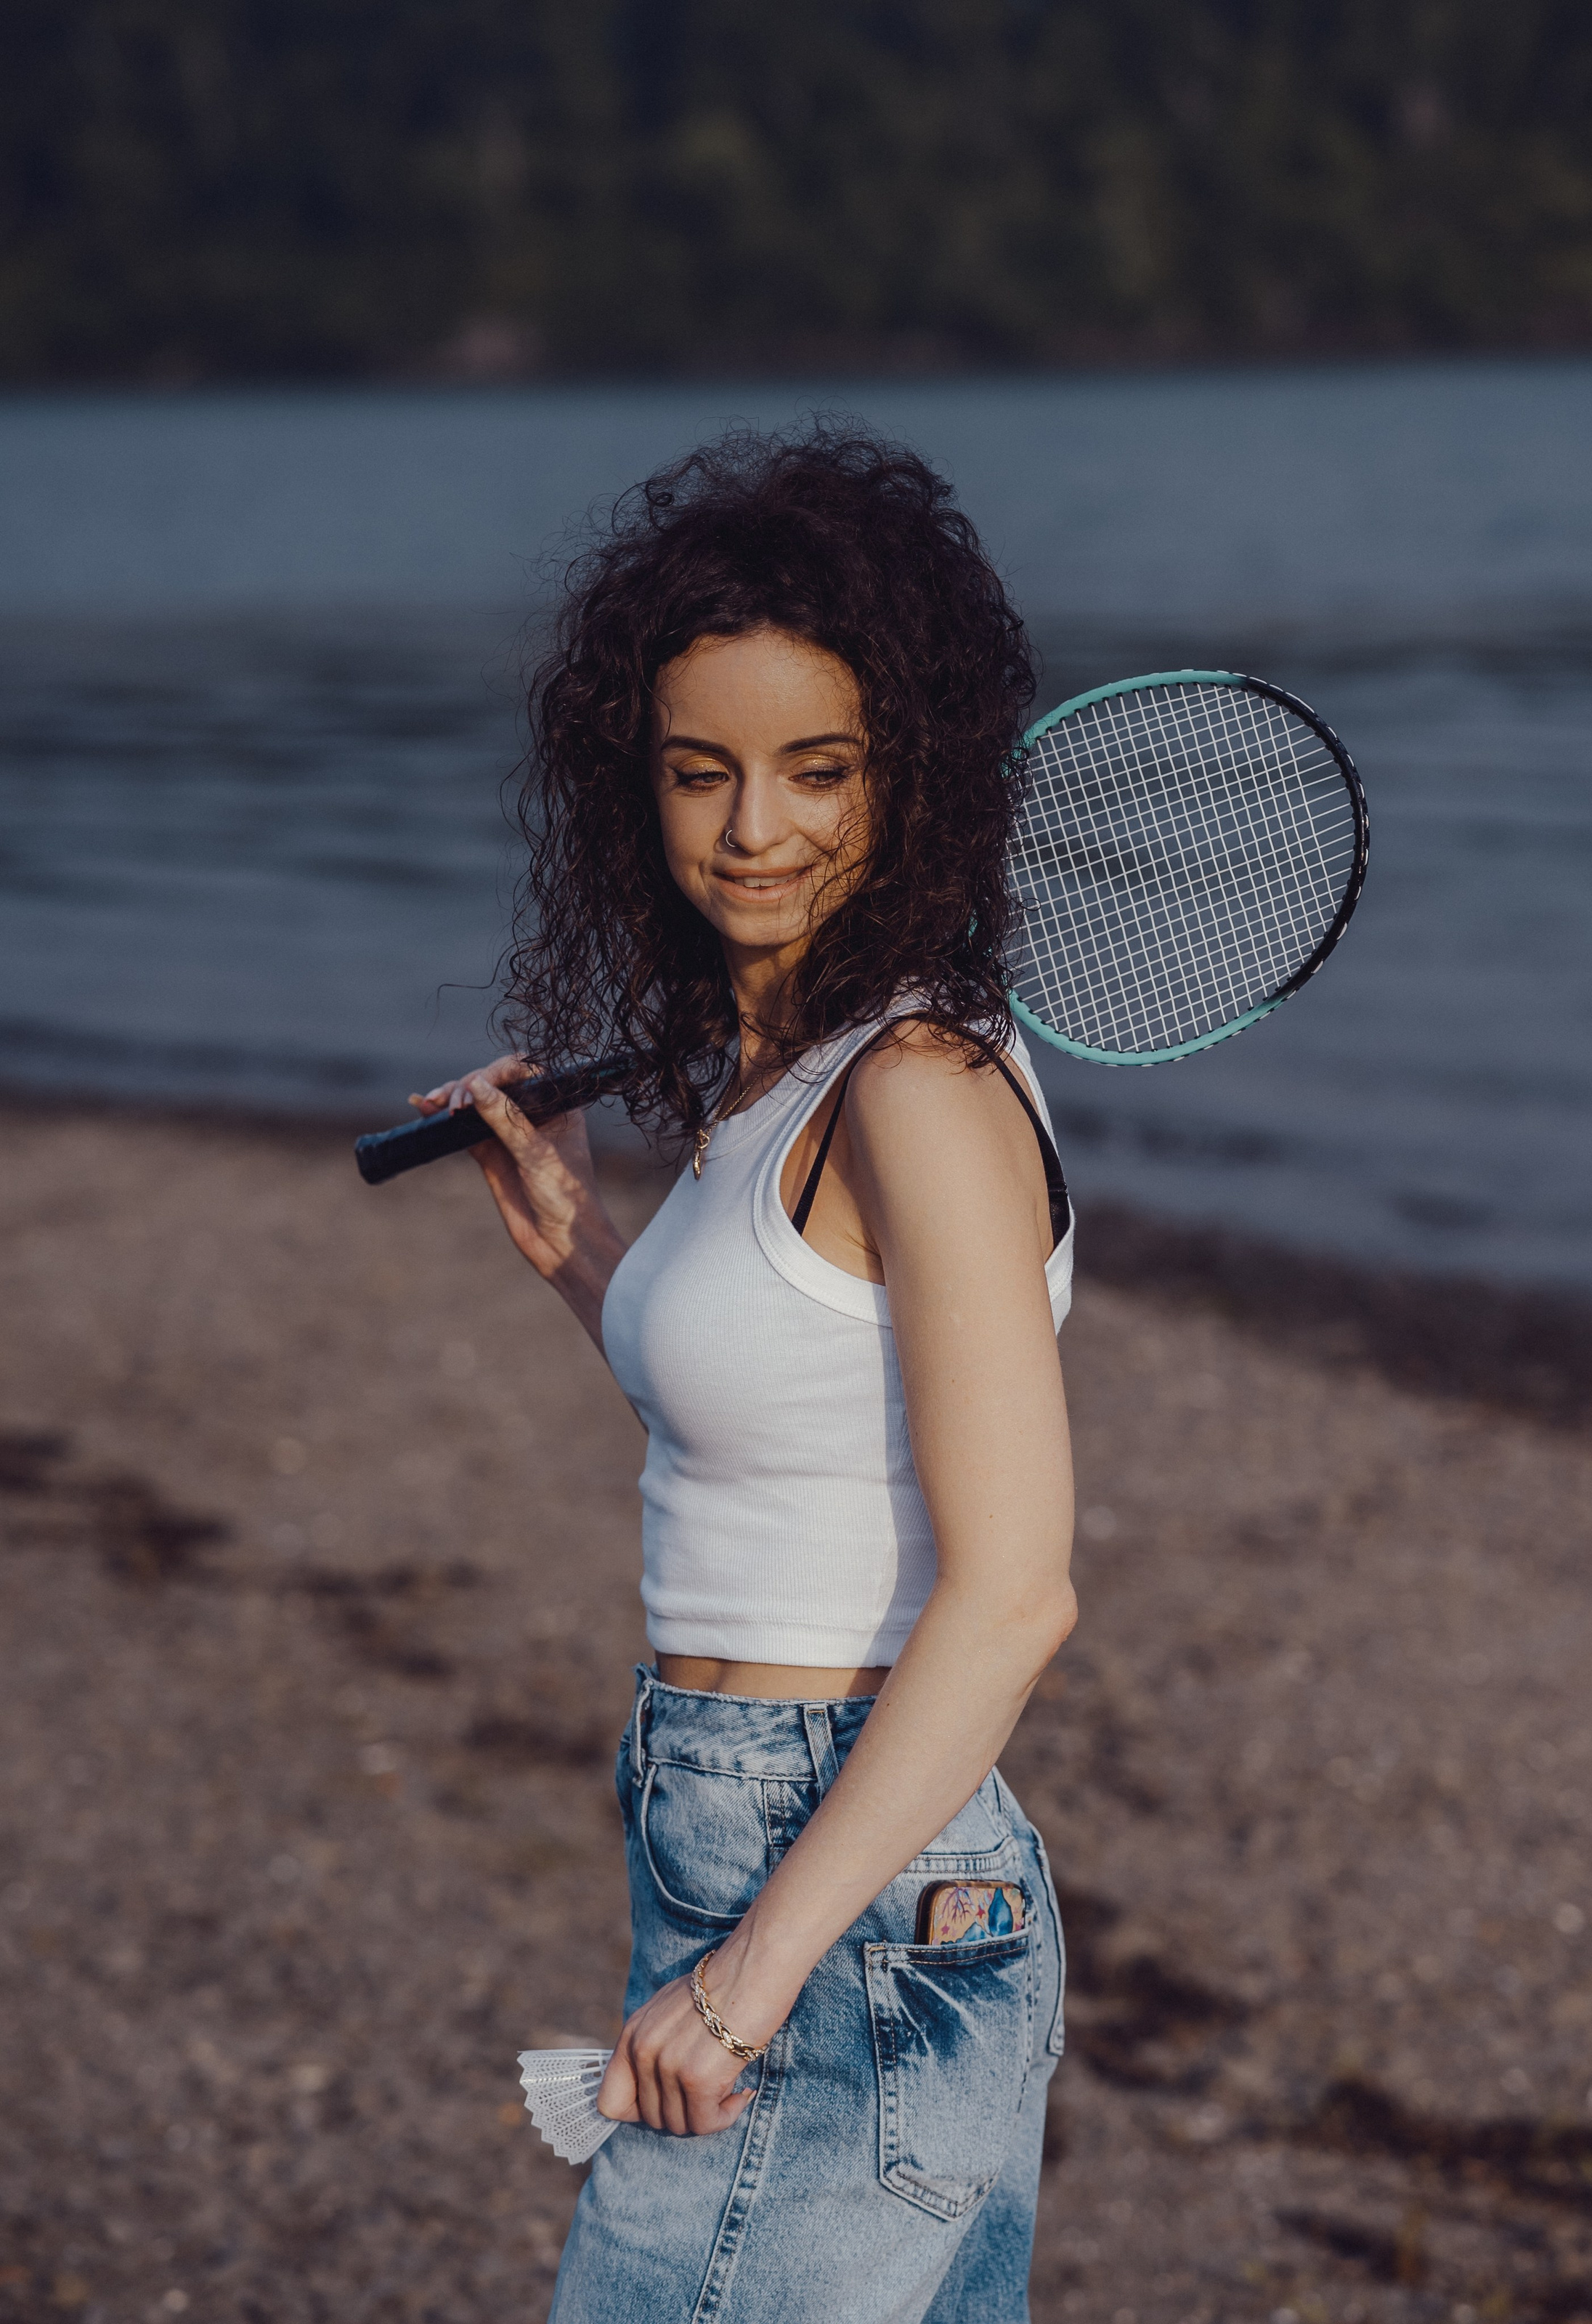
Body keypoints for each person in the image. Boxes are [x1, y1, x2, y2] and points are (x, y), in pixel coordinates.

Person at [413, 423, 1076, 2323]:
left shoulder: (920, 1090)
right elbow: (793, 1438)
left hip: (842, 1879)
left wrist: (748, 1977)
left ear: (914, 775)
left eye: (818, 770)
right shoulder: (790, 1072)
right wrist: (578, 1254)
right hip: (768, 1838)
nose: (753, 829)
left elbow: (1020, 1592)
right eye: (701, 773)